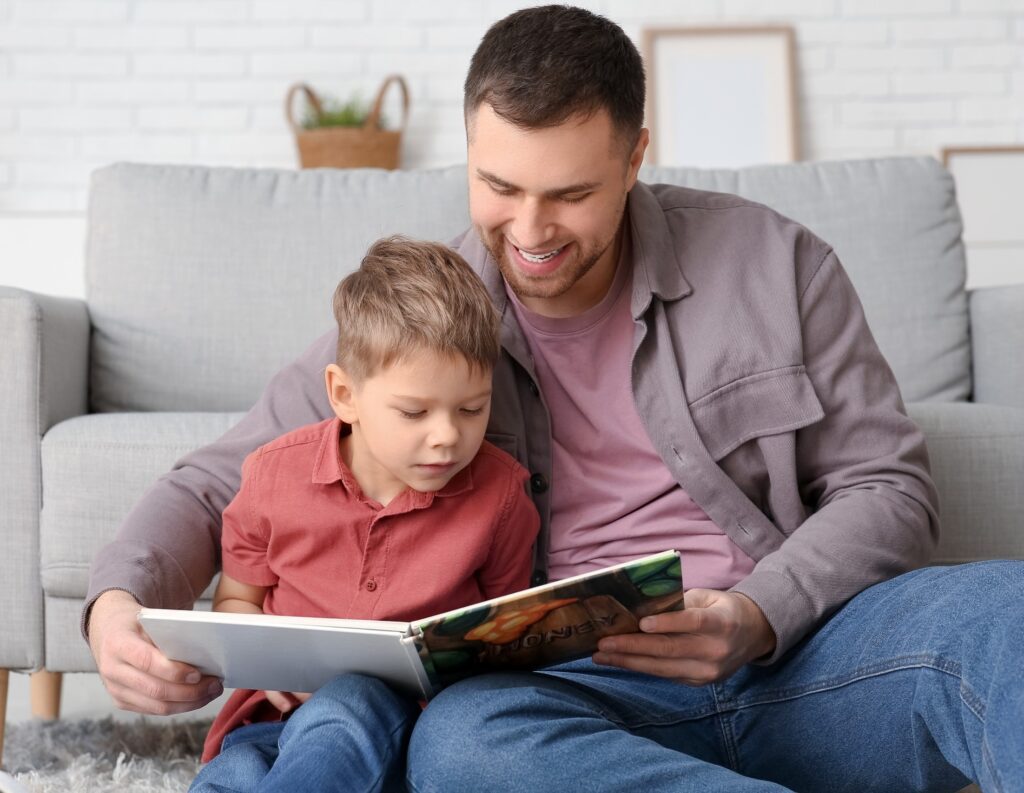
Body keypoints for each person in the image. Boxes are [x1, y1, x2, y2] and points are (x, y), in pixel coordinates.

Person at [86, 6, 1021, 791]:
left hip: (803, 661)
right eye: (498, 186)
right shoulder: (427, 317)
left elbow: (889, 489)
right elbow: (219, 481)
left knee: (1003, 609)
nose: (529, 231)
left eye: (570, 194)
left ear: (635, 156)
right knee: (460, 744)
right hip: (576, 701)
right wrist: (117, 605)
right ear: (468, 152)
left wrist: (759, 611)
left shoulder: (779, 264)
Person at [187, 236, 539, 790]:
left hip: (406, 731)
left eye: (472, 409)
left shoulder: (501, 497)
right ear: (344, 394)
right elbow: (237, 601)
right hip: (275, 719)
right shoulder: (273, 476)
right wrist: (273, 665)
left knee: (349, 702)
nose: (447, 436)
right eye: (414, 412)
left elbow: (503, 639)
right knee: (233, 774)